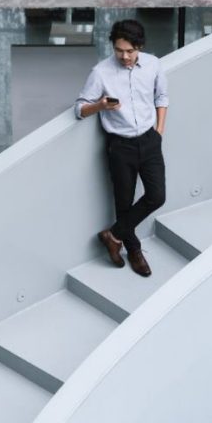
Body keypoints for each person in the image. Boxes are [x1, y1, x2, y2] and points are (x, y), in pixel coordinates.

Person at [75, 19, 169, 277]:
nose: (124, 56)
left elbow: (161, 97)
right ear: (113, 47)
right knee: (123, 203)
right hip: (120, 145)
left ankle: (112, 235)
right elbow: (80, 109)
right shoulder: (101, 72)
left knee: (157, 196)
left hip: (150, 140)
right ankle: (133, 249)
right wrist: (101, 105)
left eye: (130, 51)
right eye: (119, 50)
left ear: (140, 47)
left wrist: (159, 131)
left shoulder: (153, 64)